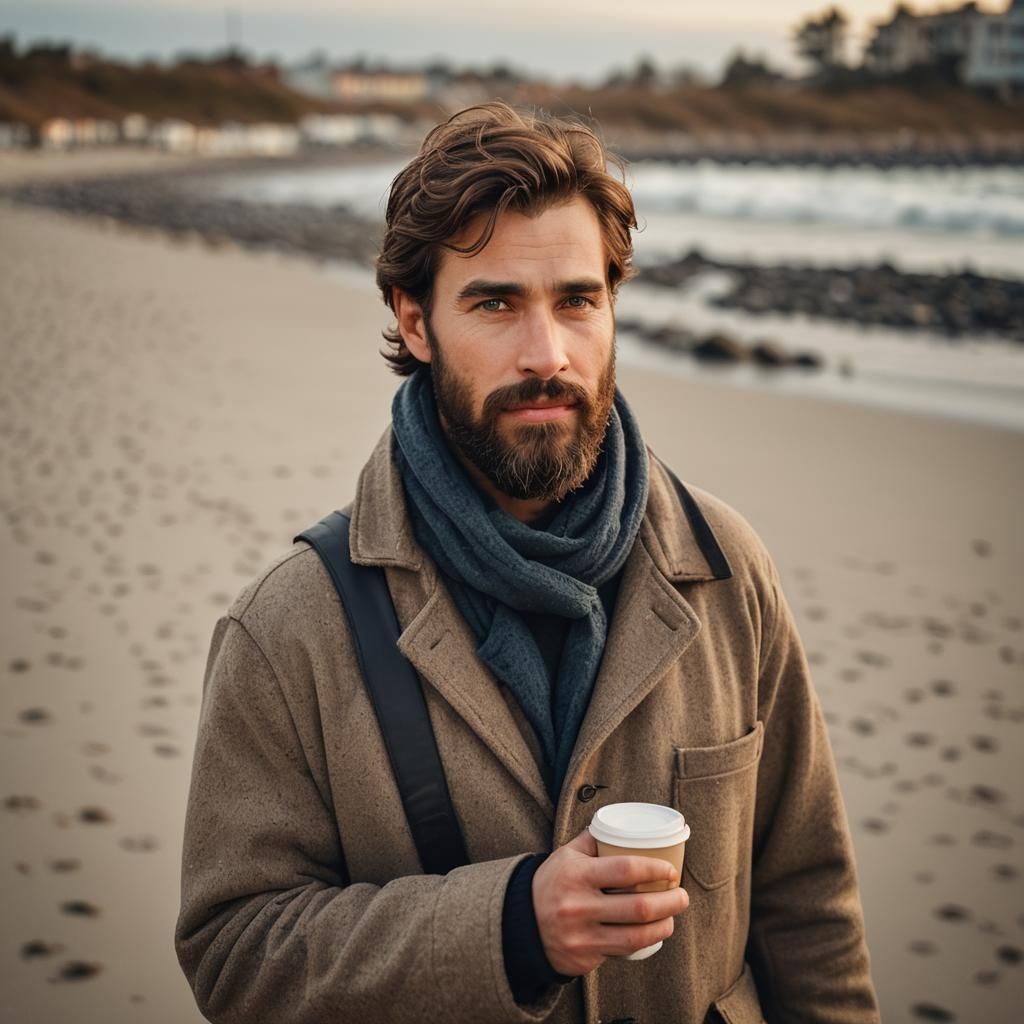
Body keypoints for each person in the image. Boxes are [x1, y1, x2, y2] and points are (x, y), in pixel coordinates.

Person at [175, 103, 879, 1024]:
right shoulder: (289, 628)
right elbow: (234, 955)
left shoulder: (727, 571)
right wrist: (509, 929)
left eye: (577, 301)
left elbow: (812, 910)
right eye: (496, 303)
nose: (547, 354)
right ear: (414, 319)